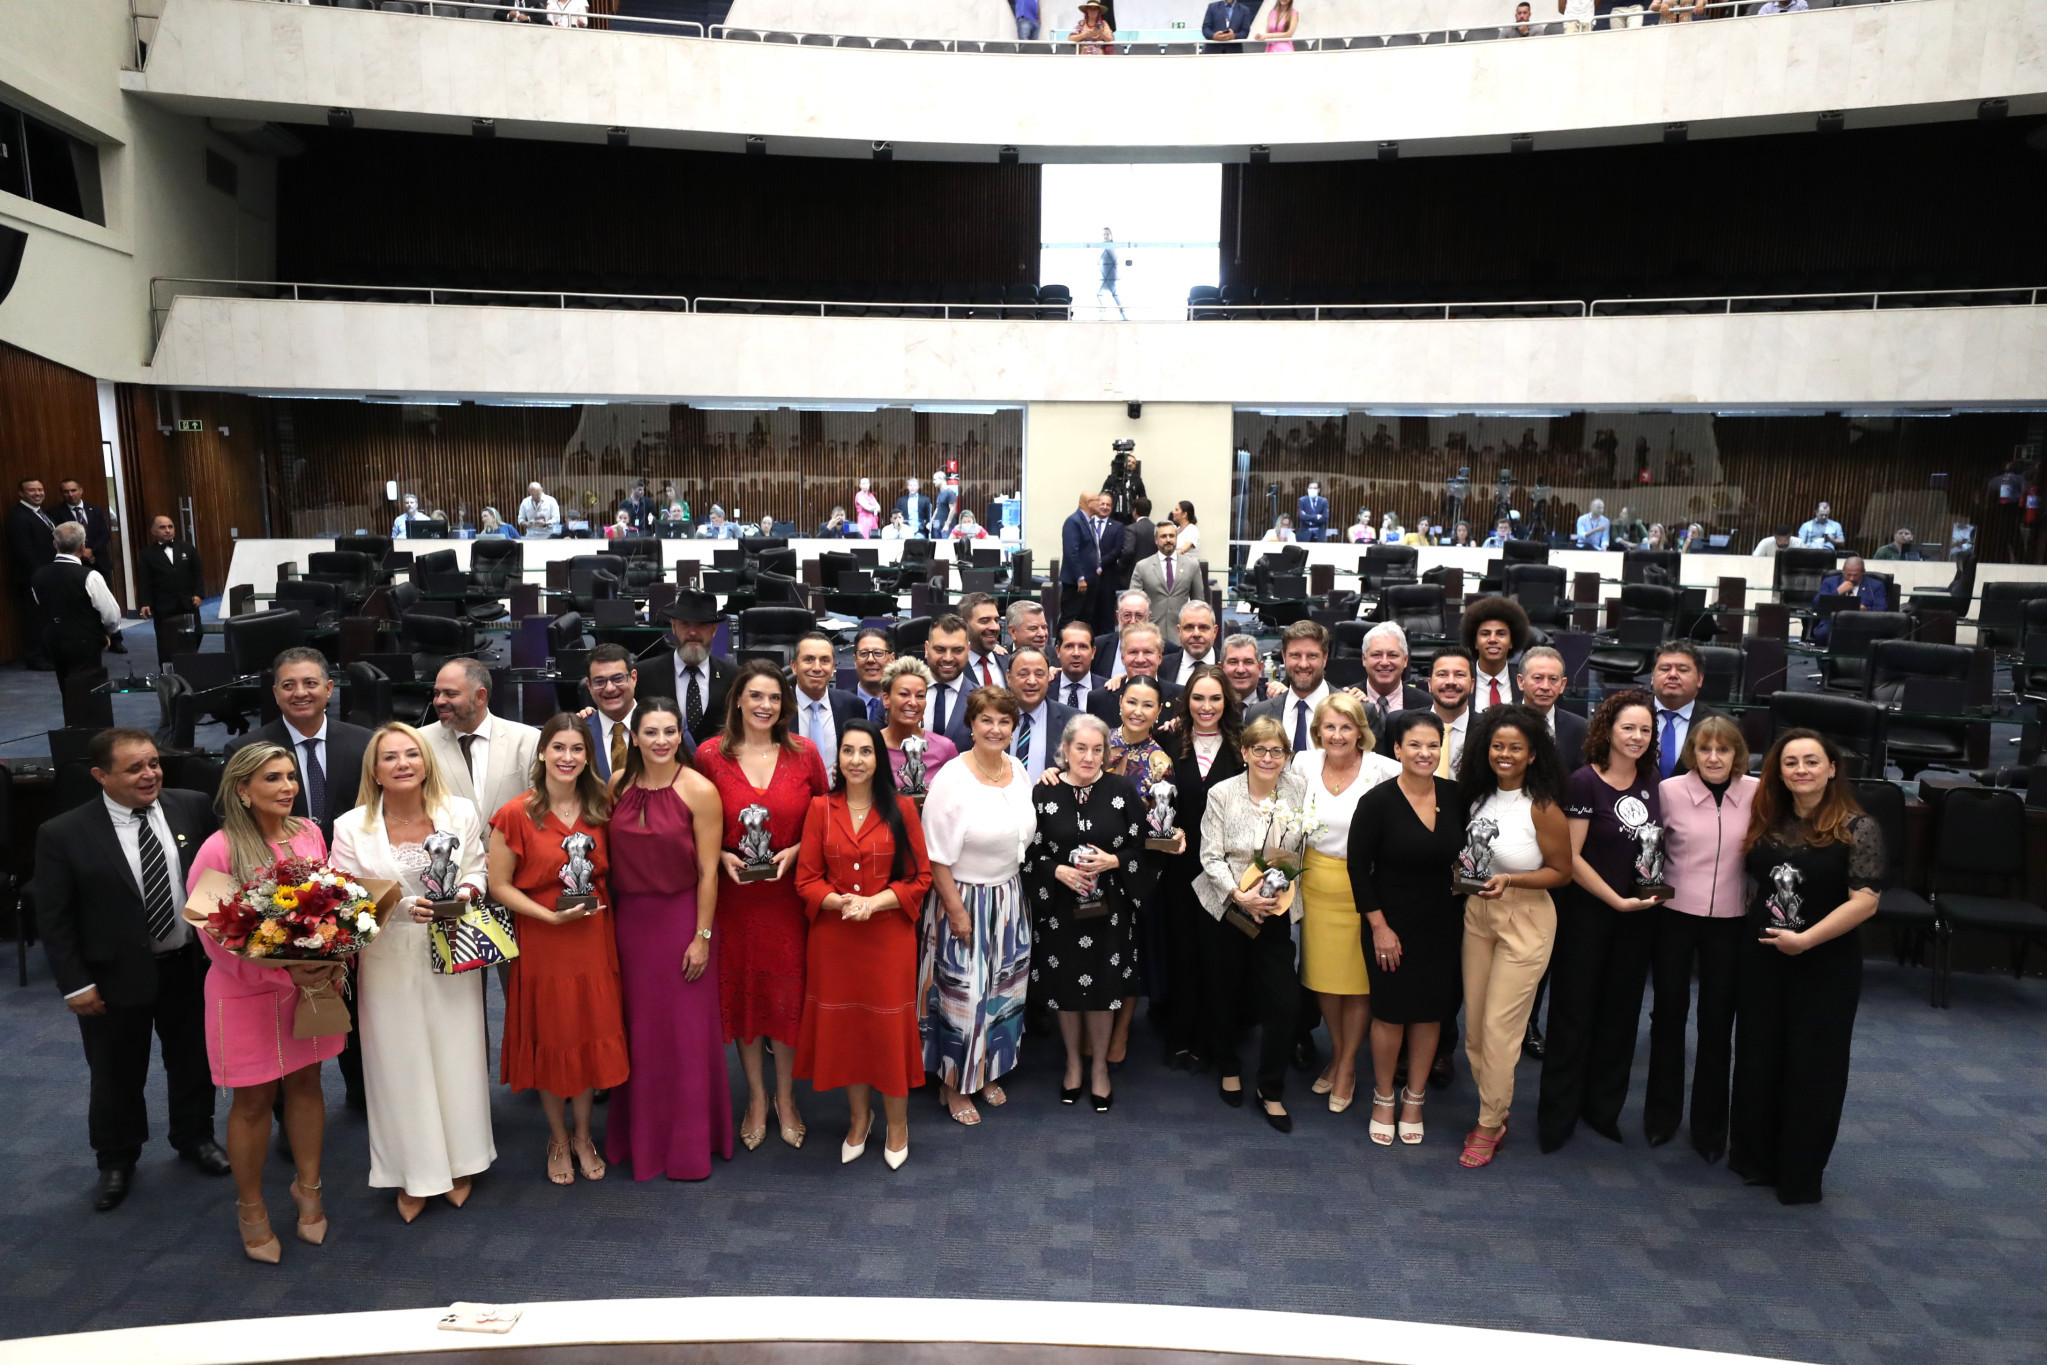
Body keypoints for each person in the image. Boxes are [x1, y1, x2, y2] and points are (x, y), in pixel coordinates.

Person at [34, 728, 228, 1212]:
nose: (150, 775)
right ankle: (117, 1159)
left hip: (188, 966)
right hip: (112, 979)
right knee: (116, 1074)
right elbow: (56, 921)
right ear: (101, 776)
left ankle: (194, 1136)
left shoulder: (192, 805)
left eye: (154, 764)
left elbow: (214, 877)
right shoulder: (63, 833)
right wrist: (75, 984)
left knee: (192, 1061)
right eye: (135, 768)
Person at [330, 722, 493, 1221]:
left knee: (457, 1055)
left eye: (411, 754)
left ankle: (462, 1161)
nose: (402, 764)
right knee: (398, 1066)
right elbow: (345, 897)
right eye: (389, 758)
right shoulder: (350, 825)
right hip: (386, 959)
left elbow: (478, 869)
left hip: (452, 949)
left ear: (425, 762)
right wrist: (401, 910)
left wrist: (465, 894)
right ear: (374, 771)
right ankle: (412, 1172)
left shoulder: (458, 812)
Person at [185, 743, 341, 1260]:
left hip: (308, 990)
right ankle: (251, 1207)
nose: (287, 787)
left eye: (290, 776)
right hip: (245, 994)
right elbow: (209, 931)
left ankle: (309, 1189)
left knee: (307, 1082)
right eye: (272, 779)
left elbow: (331, 904)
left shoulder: (310, 833)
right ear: (243, 790)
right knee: (253, 1101)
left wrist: (329, 956)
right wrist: (273, 967)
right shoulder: (219, 848)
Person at [1730, 730, 1882, 1205]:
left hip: (1824, 964)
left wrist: (1806, 941)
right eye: (1791, 762)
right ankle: (1756, 1160)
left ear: (1832, 768)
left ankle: (1799, 1173)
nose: (1801, 770)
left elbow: (1866, 902)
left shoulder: (1858, 827)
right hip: (1762, 959)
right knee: (1759, 1056)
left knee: (1812, 1067)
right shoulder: (1767, 819)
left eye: (1811, 761)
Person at [693, 660, 831, 1150]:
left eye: (773, 698)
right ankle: (755, 1096)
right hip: (735, 899)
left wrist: (798, 852)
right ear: (737, 700)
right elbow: (694, 822)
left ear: (784, 705)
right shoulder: (710, 756)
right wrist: (723, 853)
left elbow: (825, 817)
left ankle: (787, 1097)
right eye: (755, 696)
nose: (764, 706)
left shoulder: (804, 753)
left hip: (788, 899)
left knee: (787, 998)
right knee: (745, 998)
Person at [487, 714, 630, 1186]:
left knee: (588, 1035)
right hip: (544, 939)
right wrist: (546, 916)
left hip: (593, 938)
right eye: (559, 748)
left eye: (577, 749)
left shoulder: (602, 807)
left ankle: (585, 1135)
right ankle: (556, 1137)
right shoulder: (516, 813)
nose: (567, 758)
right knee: (553, 1038)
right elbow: (499, 885)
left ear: (588, 756)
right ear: (543, 753)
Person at [795, 720, 931, 1169]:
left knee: (887, 1032)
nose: (856, 760)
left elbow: (919, 878)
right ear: (838, 759)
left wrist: (873, 905)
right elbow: (807, 879)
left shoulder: (903, 809)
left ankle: (897, 1124)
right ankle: (859, 1118)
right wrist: (840, 903)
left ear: (879, 759)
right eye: (848, 751)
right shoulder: (820, 808)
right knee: (849, 1032)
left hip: (887, 936)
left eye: (866, 752)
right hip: (834, 939)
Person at [606, 698, 731, 1181]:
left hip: (683, 922)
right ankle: (640, 1139)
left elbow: (708, 872)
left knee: (684, 1038)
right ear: (634, 736)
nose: (661, 741)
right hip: (631, 925)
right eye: (651, 732)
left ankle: (687, 1145)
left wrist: (701, 937)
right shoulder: (617, 785)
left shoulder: (699, 790)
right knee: (638, 1033)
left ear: (682, 736)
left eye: (670, 732)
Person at [1537, 690, 1663, 1154]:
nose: (1636, 736)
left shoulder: (1651, 779)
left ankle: (1602, 1109)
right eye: (1628, 727)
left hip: (1637, 918)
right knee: (1573, 1015)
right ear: (1607, 729)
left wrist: (1642, 896)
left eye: (1645, 729)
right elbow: (1570, 857)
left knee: (1620, 1017)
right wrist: (1616, 900)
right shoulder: (1583, 783)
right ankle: (1557, 1117)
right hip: (1589, 913)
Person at [1452, 706, 1572, 1168]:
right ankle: (1495, 1110)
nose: (1504, 754)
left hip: (1524, 919)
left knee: (1501, 1031)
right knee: (1476, 1029)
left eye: (1515, 748)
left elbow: (1561, 873)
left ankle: (1488, 1122)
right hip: (1478, 915)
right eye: (1497, 746)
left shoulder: (1543, 808)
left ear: (1532, 755)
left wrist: (1513, 881)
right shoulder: (1477, 797)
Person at [918, 686, 1037, 1125]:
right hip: (963, 899)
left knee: (1002, 994)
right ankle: (953, 1085)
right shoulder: (952, 777)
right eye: (986, 720)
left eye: (1004, 721)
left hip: (1008, 898)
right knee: (961, 997)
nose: (995, 728)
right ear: (971, 724)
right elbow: (935, 855)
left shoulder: (1018, 768)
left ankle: (987, 1071)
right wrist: (956, 911)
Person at [1349, 711, 1466, 1148]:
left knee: (1430, 1012)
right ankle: (1384, 1096)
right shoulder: (1376, 802)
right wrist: (1379, 927)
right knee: (1391, 1013)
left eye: (1432, 745)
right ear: (1396, 750)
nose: (1424, 753)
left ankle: (1414, 1099)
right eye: (1414, 745)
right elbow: (1359, 869)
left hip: (1442, 922)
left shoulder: (1455, 796)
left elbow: (1469, 852)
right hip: (1389, 923)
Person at [1027, 713, 1153, 1111]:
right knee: (1066, 988)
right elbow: (1029, 851)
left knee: (1103, 990)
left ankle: (1098, 1067)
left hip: (1110, 908)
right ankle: (1072, 1064)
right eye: (1080, 748)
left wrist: (1114, 862)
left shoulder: (1122, 790)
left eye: (1097, 749)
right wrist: (1056, 870)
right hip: (1059, 908)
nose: (1088, 756)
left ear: (1106, 753)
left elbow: (1143, 846)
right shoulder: (1043, 792)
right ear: (1064, 750)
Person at [1645, 716, 1753, 1164]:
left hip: (1731, 920)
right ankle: (1661, 1117)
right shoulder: (1669, 792)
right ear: (1692, 752)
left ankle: (1710, 1127)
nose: (1713, 758)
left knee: (1716, 1023)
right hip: (1674, 916)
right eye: (1704, 749)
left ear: (1736, 754)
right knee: (1668, 1016)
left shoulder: (1758, 791)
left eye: (1723, 750)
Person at [1195, 716, 1307, 1130]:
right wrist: (1239, 896)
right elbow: (1210, 855)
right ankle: (1227, 1065)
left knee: (1284, 1001)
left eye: (1276, 750)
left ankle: (1271, 1088)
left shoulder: (1298, 790)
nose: (1267, 757)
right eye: (1258, 749)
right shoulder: (1223, 793)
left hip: (1274, 912)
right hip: (1226, 908)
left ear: (1286, 757)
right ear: (1243, 753)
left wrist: (1273, 897)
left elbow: (1299, 851)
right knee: (1224, 991)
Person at [1295, 693, 1400, 1113]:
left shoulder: (1383, 770)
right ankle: (1341, 1055)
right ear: (1318, 730)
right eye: (1329, 726)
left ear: (1361, 731)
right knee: (1322, 977)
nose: (1337, 735)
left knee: (1357, 984)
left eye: (1347, 726)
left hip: (1364, 888)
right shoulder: (1302, 763)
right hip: (1316, 885)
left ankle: (1344, 1066)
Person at [1162, 666, 1239, 1070]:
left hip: (1227, 872)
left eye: (1214, 698)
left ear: (1226, 701)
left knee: (1219, 955)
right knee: (1183, 951)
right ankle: (1180, 1034)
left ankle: (1217, 1038)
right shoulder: (1168, 741)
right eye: (1197, 698)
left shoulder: (1243, 746)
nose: (1205, 706)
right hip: (1178, 867)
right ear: (1186, 701)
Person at [418, 659, 542, 822]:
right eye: (436, 693)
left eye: (451, 694)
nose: (439, 701)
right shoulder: (419, 742)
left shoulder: (527, 740)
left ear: (480, 696)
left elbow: (540, 809)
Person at [33, 520, 121, 727]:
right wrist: (109, 632)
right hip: (85, 639)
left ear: (55, 545)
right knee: (89, 688)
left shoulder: (38, 575)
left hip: (53, 638)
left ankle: (72, 729)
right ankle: (90, 733)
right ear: (83, 547)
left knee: (65, 686)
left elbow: (41, 604)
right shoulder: (89, 575)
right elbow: (111, 613)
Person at [650, 589, 735, 752]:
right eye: (685, 624)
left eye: (701, 625)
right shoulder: (644, 674)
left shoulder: (734, 677)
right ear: (673, 627)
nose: (693, 632)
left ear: (714, 629)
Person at [1246, 619, 1334, 754]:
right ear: (1284, 657)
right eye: (1295, 655)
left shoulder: (1356, 712)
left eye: (1312, 656)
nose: (1303, 664)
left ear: (1325, 658)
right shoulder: (1257, 714)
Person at [792, 631, 867, 782]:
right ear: (794, 666)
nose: (817, 667)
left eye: (825, 661)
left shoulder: (853, 706)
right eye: (808, 660)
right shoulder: (779, 708)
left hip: (838, 800)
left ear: (833, 667)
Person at [878, 656, 960, 790]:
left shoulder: (945, 749)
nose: (913, 702)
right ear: (886, 699)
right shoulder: (869, 746)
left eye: (920, 696)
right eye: (904, 694)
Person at [1648, 641, 1724, 778]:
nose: (1672, 675)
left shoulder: (1726, 725)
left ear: (1700, 679)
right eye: (1664, 669)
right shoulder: (1627, 718)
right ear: (1652, 677)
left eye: (1683, 670)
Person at [135, 513, 205, 662]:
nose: (167, 530)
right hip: (163, 605)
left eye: (170, 526)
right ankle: (167, 674)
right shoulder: (147, 554)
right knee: (166, 642)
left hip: (188, 603)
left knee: (196, 634)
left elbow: (198, 573)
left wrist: (198, 594)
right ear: (154, 531)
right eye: (162, 527)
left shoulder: (188, 548)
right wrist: (145, 603)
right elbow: (144, 581)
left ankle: (191, 665)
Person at [5, 475, 58, 668]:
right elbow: (24, 551)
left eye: (40, 490)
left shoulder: (42, 514)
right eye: (32, 490)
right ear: (21, 493)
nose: (37, 493)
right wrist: (40, 577)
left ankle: (47, 654)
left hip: (47, 576)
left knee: (47, 617)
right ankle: (35, 658)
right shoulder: (18, 516)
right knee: (34, 618)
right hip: (32, 578)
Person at [1005, 647, 1077, 782]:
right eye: (1023, 674)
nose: (1032, 681)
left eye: (1039, 674)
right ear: (1009, 677)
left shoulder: (1073, 721)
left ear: (1049, 677)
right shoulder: (992, 719)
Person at [1516, 645, 1588, 772]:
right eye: (1538, 678)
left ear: (1562, 685)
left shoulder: (1580, 728)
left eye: (1553, 679)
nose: (1545, 686)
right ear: (1521, 681)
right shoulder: (1500, 722)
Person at [1060, 491, 1123, 632]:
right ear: (1089, 503)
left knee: (1086, 621)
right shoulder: (1074, 521)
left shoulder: (1088, 521)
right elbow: (1071, 552)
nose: (1100, 504)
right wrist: (1080, 577)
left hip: (1090, 581)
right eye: (1098, 501)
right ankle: (1061, 650)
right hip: (1076, 584)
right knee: (1069, 620)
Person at [1356, 623, 1430, 738]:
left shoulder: (1427, 704)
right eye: (1376, 655)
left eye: (1392, 655)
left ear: (1405, 660)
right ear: (1364, 659)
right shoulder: (1346, 700)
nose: (1384, 662)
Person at [581, 643, 639, 784]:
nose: (610, 688)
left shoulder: (667, 726)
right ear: (589, 685)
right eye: (600, 681)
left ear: (633, 678)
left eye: (618, 679)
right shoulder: (579, 731)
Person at [1131, 522, 1198, 644]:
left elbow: (1198, 602)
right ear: (1156, 540)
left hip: (1182, 635)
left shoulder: (1192, 565)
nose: (1168, 540)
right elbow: (1133, 604)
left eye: (1172, 536)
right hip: (1151, 634)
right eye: (1164, 536)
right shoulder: (1142, 566)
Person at [1463, 596, 1529, 713]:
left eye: (1501, 634)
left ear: (1511, 642)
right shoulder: (1461, 681)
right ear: (1475, 642)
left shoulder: (1525, 684)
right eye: (1485, 634)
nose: (1492, 639)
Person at [923, 613, 976, 744]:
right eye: (940, 649)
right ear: (926, 649)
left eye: (957, 650)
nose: (948, 658)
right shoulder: (901, 694)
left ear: (968, 651)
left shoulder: (981, 700)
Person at [1811, 556, 1886, 643]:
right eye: (1848, 575)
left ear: (1863, 572)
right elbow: (1816, 605)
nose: (1851, 579)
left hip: (1863, 623)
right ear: (1843, 571)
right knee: (1822, 634)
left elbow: (1882, 610)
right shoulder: (1830, 582)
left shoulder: (1876, 585)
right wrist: (1838, 591)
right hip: (1833, 621)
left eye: (1855, 575)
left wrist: (1865, 609)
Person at [1425, 647, 1476, 775]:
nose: (1451, 682)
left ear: (1472, 685)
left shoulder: (1489, 729)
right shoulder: (1403, 724)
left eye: (1460, 675)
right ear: (1429, 684)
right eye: (1442, 674)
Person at [53, 477, 112, 568]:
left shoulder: (95, 510)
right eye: (66, 491)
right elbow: (59, 538)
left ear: (81, 490)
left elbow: (104, 534)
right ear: (61, 493)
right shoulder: (55, 513)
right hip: (73, 564)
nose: (70, 494)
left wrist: (91, 550)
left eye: (73, 490)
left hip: (98, 561)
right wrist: (81, 553)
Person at [1094, 589, 1153, 675]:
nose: (1133, 621)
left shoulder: (1166, 650)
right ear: (1118, 616)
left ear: (1148, 617)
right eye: (1127, 615)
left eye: (1139, 616)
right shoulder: (1099, 646)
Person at [1161, 600, 1221, 681]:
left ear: (1215, 631)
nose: (1196, 634)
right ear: (1179, 631)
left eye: (1203, 627)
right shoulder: (1161, 666)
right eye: (1189, 627)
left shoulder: (1228, 666)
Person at [959, 592, 1008, 690]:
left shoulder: (1010, 663)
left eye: (996, 620)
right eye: (985, 621)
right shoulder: (953, 667)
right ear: (964, 624)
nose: (995, 627)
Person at [1054, 619, 1105, 712]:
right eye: (1069, 646)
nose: (1076, 653)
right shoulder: (1044, 688)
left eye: (1083, 647)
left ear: (1093, 652)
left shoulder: (1108, 690)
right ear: (1058, 651)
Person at [1221, 631, 1279, 708]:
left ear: (1260, 668)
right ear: (1221, 668)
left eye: (1248, 662)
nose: (1240, 670)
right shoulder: (1208, 703)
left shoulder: (1277, 703)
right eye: (1233, 662)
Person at [852, 626, 895, 724]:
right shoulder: (841, 706)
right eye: (863, 654)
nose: (870, 660)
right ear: (855, 660)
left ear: (892, 659)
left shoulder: (902, 705)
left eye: (878, 653)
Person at [1115, 495, 1156, 590]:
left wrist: (1120, 568)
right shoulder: (1156, 528)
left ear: (1135, 511)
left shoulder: (1131, 529)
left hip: (1134, 573)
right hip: (1153, 573)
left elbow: (1128, 551)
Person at [1102, 447, 1146, 524]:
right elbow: (1103, 495)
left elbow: (1143, 499)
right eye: (1128, 461)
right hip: (1113, 514)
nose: (1130, 464)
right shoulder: (1112, 478)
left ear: (1135, 466)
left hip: (1130, 516)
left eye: (1133, 463)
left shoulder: (1137, 480)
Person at [1092, 224, 1124, 310]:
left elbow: (1114, 262)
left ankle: (1120, 312)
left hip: (1110, 277)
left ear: (1111, 235)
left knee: (1110, 295)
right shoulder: (1103, 247)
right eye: (1104, 234)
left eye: (1107, 234)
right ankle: (1121, 312)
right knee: (1106, 295)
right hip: (1106, 276)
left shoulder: (1111, 247)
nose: (1105, 236)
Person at [929, 471, 960, 539]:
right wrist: (931, 521)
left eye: (935, 479)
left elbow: (952, 509)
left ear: (941, 479)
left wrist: (947, 525)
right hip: (938, 526)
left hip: (946, 527)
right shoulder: (940, 493)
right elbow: (938, 508)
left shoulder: (950, 492)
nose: (933, 482)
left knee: (945, 546)